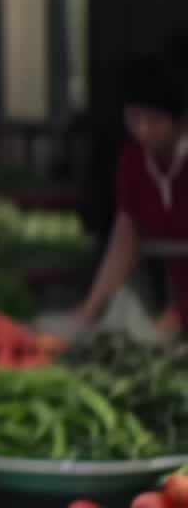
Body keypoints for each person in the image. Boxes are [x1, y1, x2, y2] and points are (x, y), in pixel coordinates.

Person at [77, 55, 188, 338]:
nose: (143, 130)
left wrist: (182, 311)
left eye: (154, 120)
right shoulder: (133, 159)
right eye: (134, 118)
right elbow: (126, 237)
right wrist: (90, 310)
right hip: (161, 288)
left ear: (180, 121)